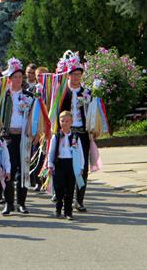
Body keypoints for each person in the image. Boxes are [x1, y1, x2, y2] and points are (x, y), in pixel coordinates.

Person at [57, 50, 92, 212]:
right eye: (74, 74)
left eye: (79, 74)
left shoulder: (87, 93)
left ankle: (80, 199)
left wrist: (92, 130)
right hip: (66, 133)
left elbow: (92, 114)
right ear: (68, 75)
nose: (76, 77)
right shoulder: (62, 93)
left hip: (82, 133)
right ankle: (65, 198)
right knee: (65, 165)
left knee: (82, 166)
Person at [1, 58, 36, 215]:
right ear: (9, 79)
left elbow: (32, 117)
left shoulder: (29, 97)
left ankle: (21, 202)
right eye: (14, 77)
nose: (17, 80)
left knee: (23, 170)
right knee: (8, 169)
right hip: (7, 137)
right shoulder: (3, 96)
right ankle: (8, 203)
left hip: (23, 137)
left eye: (20, 77)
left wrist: (31, 132)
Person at [47, 111, 84, 220]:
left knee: (70, 188)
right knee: (59, 189)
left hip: (71, 164)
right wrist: (50, 165)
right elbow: (51, 151)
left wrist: (81, 167)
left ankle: (68, 211)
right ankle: (58, 209)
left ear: (71, 122)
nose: (65, 123)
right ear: (59, 122)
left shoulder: (75, 137)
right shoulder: (56, 136)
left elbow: (80, 153)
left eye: (67, 121)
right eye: (62, 121)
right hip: (59, 164)